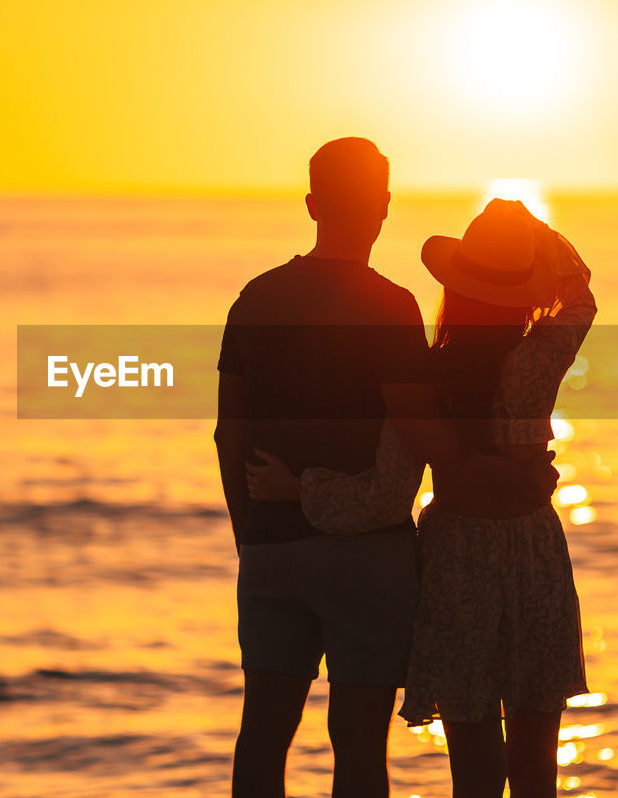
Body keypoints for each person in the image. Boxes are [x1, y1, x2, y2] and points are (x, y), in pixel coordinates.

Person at [215, 141, 554, 798]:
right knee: (361, 742)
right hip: (368, 558)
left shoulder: (255, 300)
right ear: (384, 208)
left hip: (274, 546)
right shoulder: (393, 308)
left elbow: (230, 431)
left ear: (312, 205)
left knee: (263, 732)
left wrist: (249, 536)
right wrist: (511, 473)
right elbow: (421, 434)